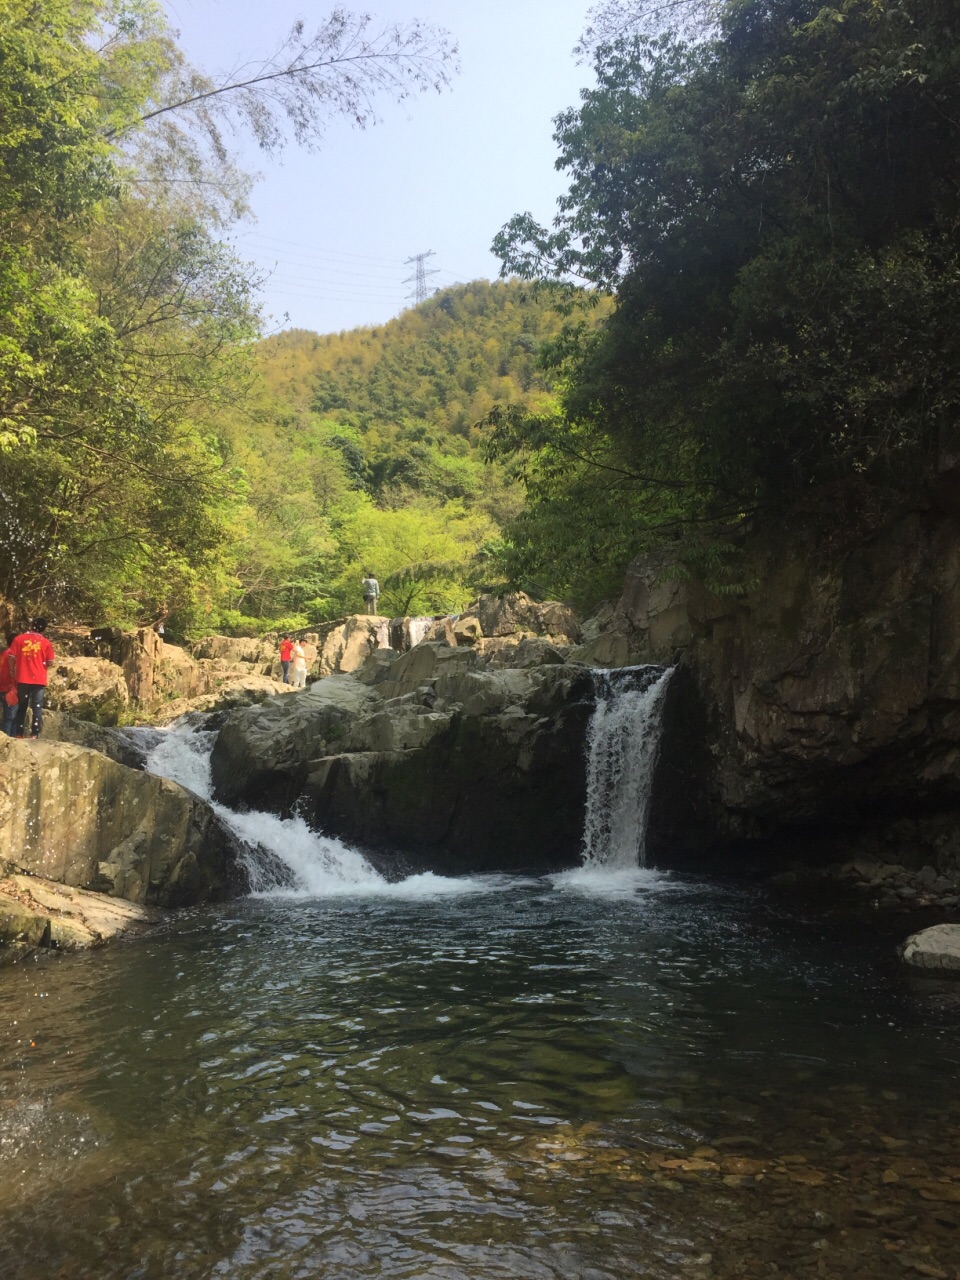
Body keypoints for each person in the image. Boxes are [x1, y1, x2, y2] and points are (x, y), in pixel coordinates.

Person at [9, 616, 55, 739]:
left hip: (22, 678)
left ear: (31, 626)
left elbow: (12, 657)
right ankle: (34, 734)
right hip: (39, 680)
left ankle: (19, 733)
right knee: (37, 708)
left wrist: (12, 670)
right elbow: (50, 662)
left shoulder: (19, 639)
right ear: (43, 629)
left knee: (22, 707)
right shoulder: (46, 643)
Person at [0, 631, 18, 737]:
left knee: (8, 717)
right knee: (11, 718)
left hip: (3, 688)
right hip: (10, 689)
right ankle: (10, 741)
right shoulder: (14, 655)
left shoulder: (3, 654)